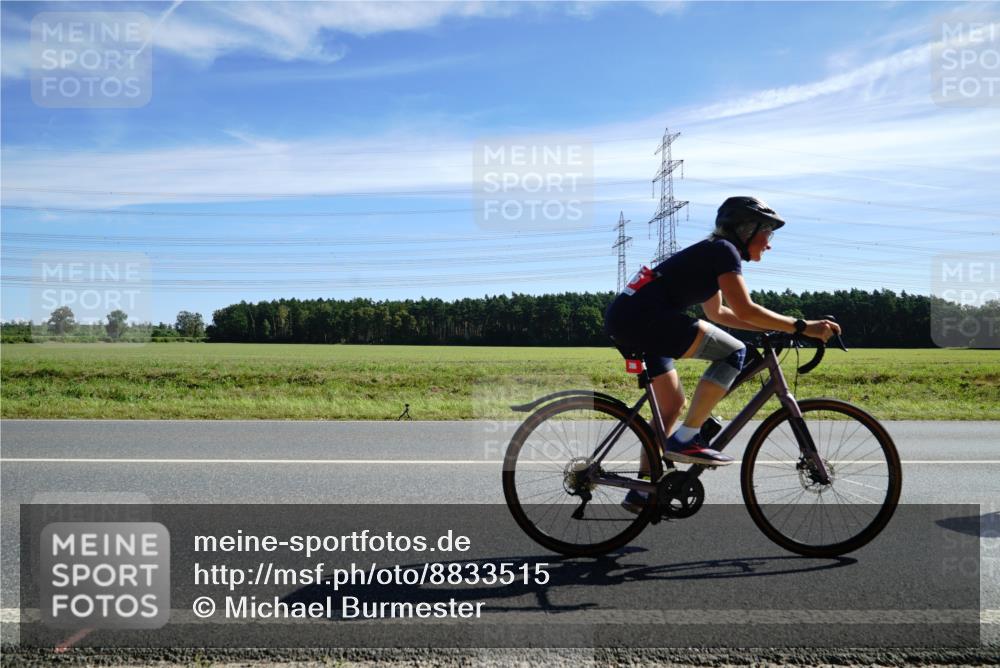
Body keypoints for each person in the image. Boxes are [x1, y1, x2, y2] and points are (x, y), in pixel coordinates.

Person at [603, 196, 841, 512]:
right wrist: (801, 326)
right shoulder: (724, 252)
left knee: (671, 405)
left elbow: (719, 313)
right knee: (734, 352)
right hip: (646, 320)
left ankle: (642, 490)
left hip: (631, 318)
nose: (769, 244)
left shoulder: (713, 252)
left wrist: (775, 327)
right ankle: (688, 438)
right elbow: (745, 309)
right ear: (747, 229)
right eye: (767, 234)